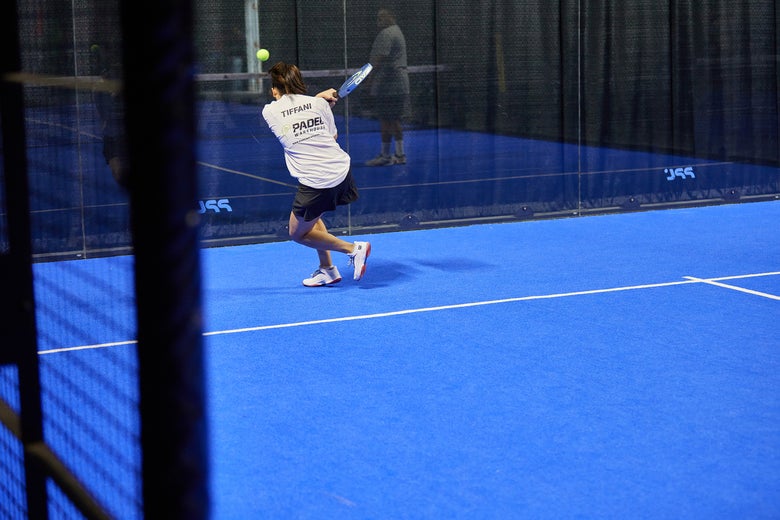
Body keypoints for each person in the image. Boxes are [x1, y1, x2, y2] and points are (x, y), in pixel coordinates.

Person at [262, 62, 371, 286]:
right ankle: (327, 269)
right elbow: (331, 138)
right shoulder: (318, 104)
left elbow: (292, 113)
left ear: (275, 90)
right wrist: (319, 101)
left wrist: (318, 100)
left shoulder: (269, 112)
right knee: (313, 217)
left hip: (317, 181)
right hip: (341, 169)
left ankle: (353, 249)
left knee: (297, 233)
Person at [365, 7, 410, 166]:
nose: (379, 21)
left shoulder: (388, 33)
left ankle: (387, 156)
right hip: (394, 85)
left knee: (387, 120)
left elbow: (379, 59)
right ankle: (399, 154)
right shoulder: (396, 31)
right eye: (378, 18)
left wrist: (368, 79)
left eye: (382, 17)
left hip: (390, 86)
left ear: (392, 16)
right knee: (392, 119)